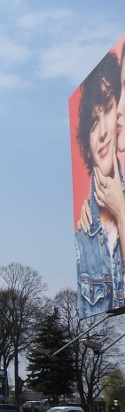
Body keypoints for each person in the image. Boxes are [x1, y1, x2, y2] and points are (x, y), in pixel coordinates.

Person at [75, 51, 125, 317]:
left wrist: (121, 211)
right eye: (93, 122)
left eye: (106, 109)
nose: (103, 131)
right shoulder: (81, 237)